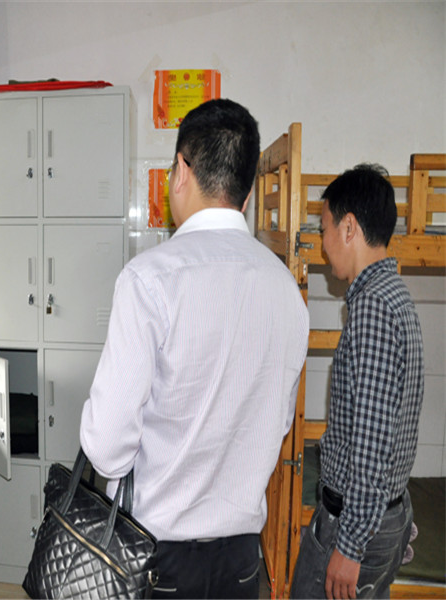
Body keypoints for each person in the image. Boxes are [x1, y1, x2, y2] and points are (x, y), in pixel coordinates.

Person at [79, 98, 309, 599]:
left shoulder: (149, 279)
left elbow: (107, 448)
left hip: (158, 562)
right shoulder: (288, 292)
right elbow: (277, 424)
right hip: (243, 566)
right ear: (247, 194)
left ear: (181, 171)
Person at [290, 164, 424, 600]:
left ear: (348, 227)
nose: (322, 243)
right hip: (383, 515)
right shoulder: (395, 294)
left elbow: (370, 444)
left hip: (354, 525)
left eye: (324, 228)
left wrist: (350, 545)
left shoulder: (373, 308)